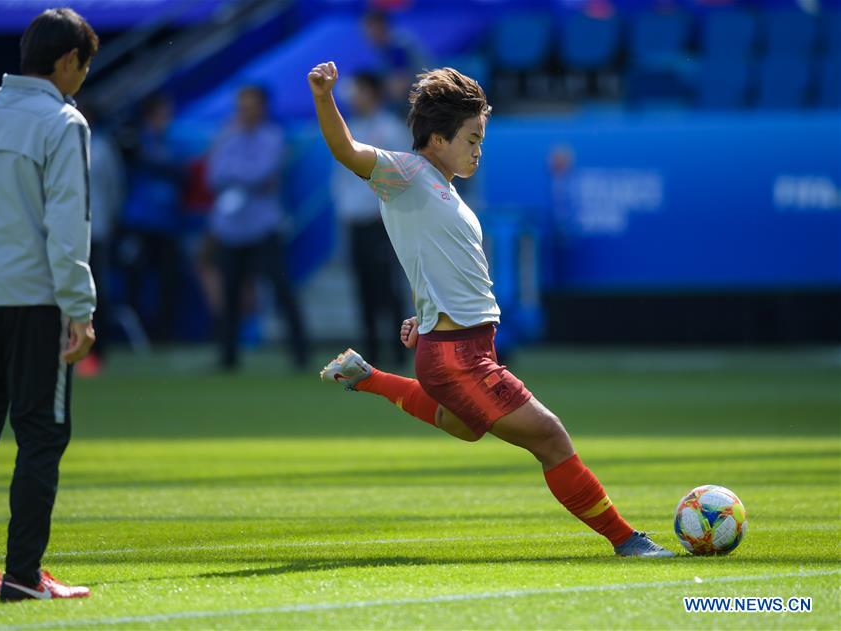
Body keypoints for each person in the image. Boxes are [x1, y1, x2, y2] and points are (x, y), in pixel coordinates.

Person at [308, 61, 673, 557]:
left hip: (457, 348)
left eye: (481, 140)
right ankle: (627, 540)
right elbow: (346, 151)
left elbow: (437, 263)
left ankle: (367, 376)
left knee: (464, 426)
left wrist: (429, 314)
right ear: (437, 139)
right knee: (550, 437)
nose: (478, 150)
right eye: (471, 138)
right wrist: (324, 95)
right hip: (457, 357)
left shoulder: (441, 189)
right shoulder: (407, 173)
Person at [0, 8, 98, 600]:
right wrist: (79, 309)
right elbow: (68, 222)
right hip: (37, 305)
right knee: (40, 437)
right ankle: (25, 576)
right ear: (66, 62)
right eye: (83, 66)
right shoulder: (63, 122)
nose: (82, 77)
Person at [206, 85, 309, 370]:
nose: (245, 110)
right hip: (230, 228)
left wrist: (237, 173)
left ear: (262, 107)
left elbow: (263, 170)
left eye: (250, 104)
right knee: (229, 293)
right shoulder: (227, 133)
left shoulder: (272, 136)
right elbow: (214, 175)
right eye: (242, 104)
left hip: (263, 226)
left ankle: (300, 354)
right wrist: (247, 176)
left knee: (281, 290)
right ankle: (227, 357)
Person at [330, 72, 409, 366]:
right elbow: (340, 180)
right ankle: (372, 352)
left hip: (381, 222)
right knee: (363, 287)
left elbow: (401, 175)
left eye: (360, 91)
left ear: (374, 93)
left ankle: (399, 349)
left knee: (387, 287)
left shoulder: (390, 129)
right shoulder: (350, 130)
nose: (353, 97)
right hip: (356, 222)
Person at [121, 92, 183, 342]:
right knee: (135, 281)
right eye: (162, 113)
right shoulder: (134, 140)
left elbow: (182, 172)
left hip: (167, 225)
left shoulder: (171, 141)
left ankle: (163, 336)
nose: (166, 118)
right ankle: (133, 337)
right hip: (139, 224)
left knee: (168, 282)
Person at [76, 100, 126, 377]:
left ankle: (96, 350)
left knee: (94, 294)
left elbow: (114, 188)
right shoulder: (53, 143)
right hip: (58, 234)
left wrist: (109, 221)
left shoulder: (103, 148)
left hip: (94, 231)